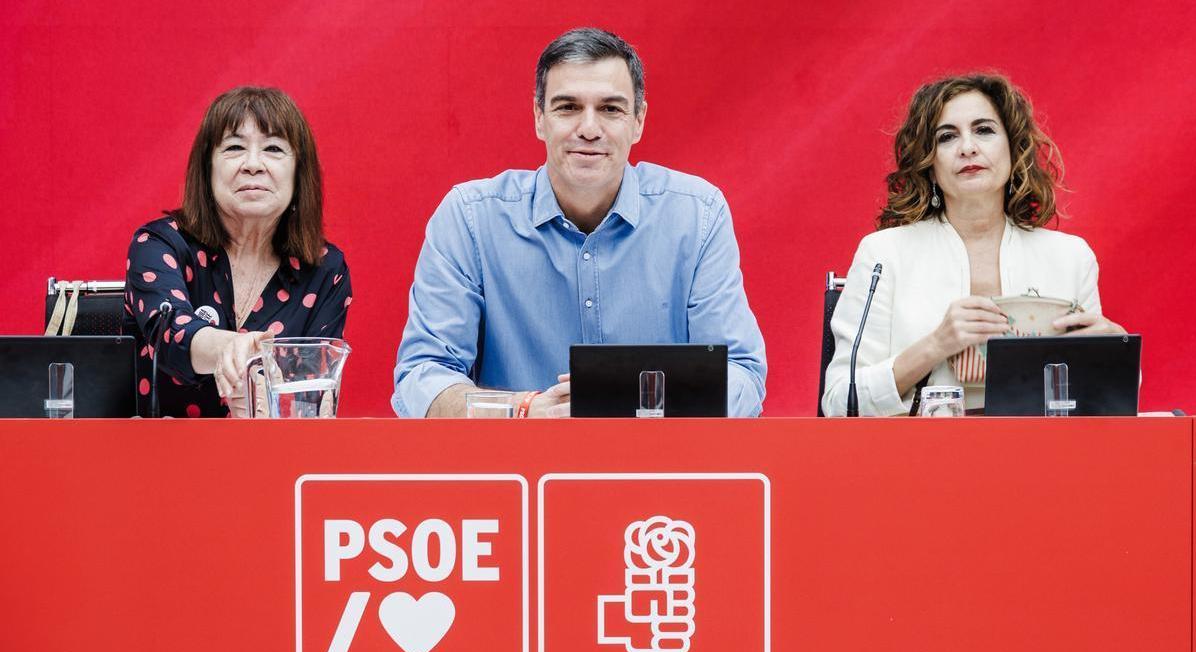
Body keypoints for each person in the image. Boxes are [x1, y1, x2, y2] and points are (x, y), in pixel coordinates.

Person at [393, 27, 766, 418]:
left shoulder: (698, 214)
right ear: (540, 118)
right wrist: (523, 412)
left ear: (638, 120)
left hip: (659, 467)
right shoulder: (469, 218)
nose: (589, 129)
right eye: (568, 107)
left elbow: (741, 375)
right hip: (519, 469)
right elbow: (422, 378)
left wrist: (631, 397)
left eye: (611, 109)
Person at [822, 73, 1125, 417]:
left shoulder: (1070, 258)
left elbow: (1102, 407)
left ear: (1014, 151)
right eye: (947, 137)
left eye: (984, 130)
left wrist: (1113, 353)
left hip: (1039, 459)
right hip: (916, 460)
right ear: (930, 165)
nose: (968, 147)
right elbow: (838, 404)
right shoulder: (884, 255)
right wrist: (937, 344)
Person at [123, 86, 352, 417]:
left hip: (274, 461)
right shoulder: (159, 245)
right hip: (159, 461)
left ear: (299, 172)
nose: (253, 164)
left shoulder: (325, 271)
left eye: (273, 148)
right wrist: (231, 351)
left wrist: (267, 405)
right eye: (234, 148)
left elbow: (314, 405)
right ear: (207, 169)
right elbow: (169, 336)